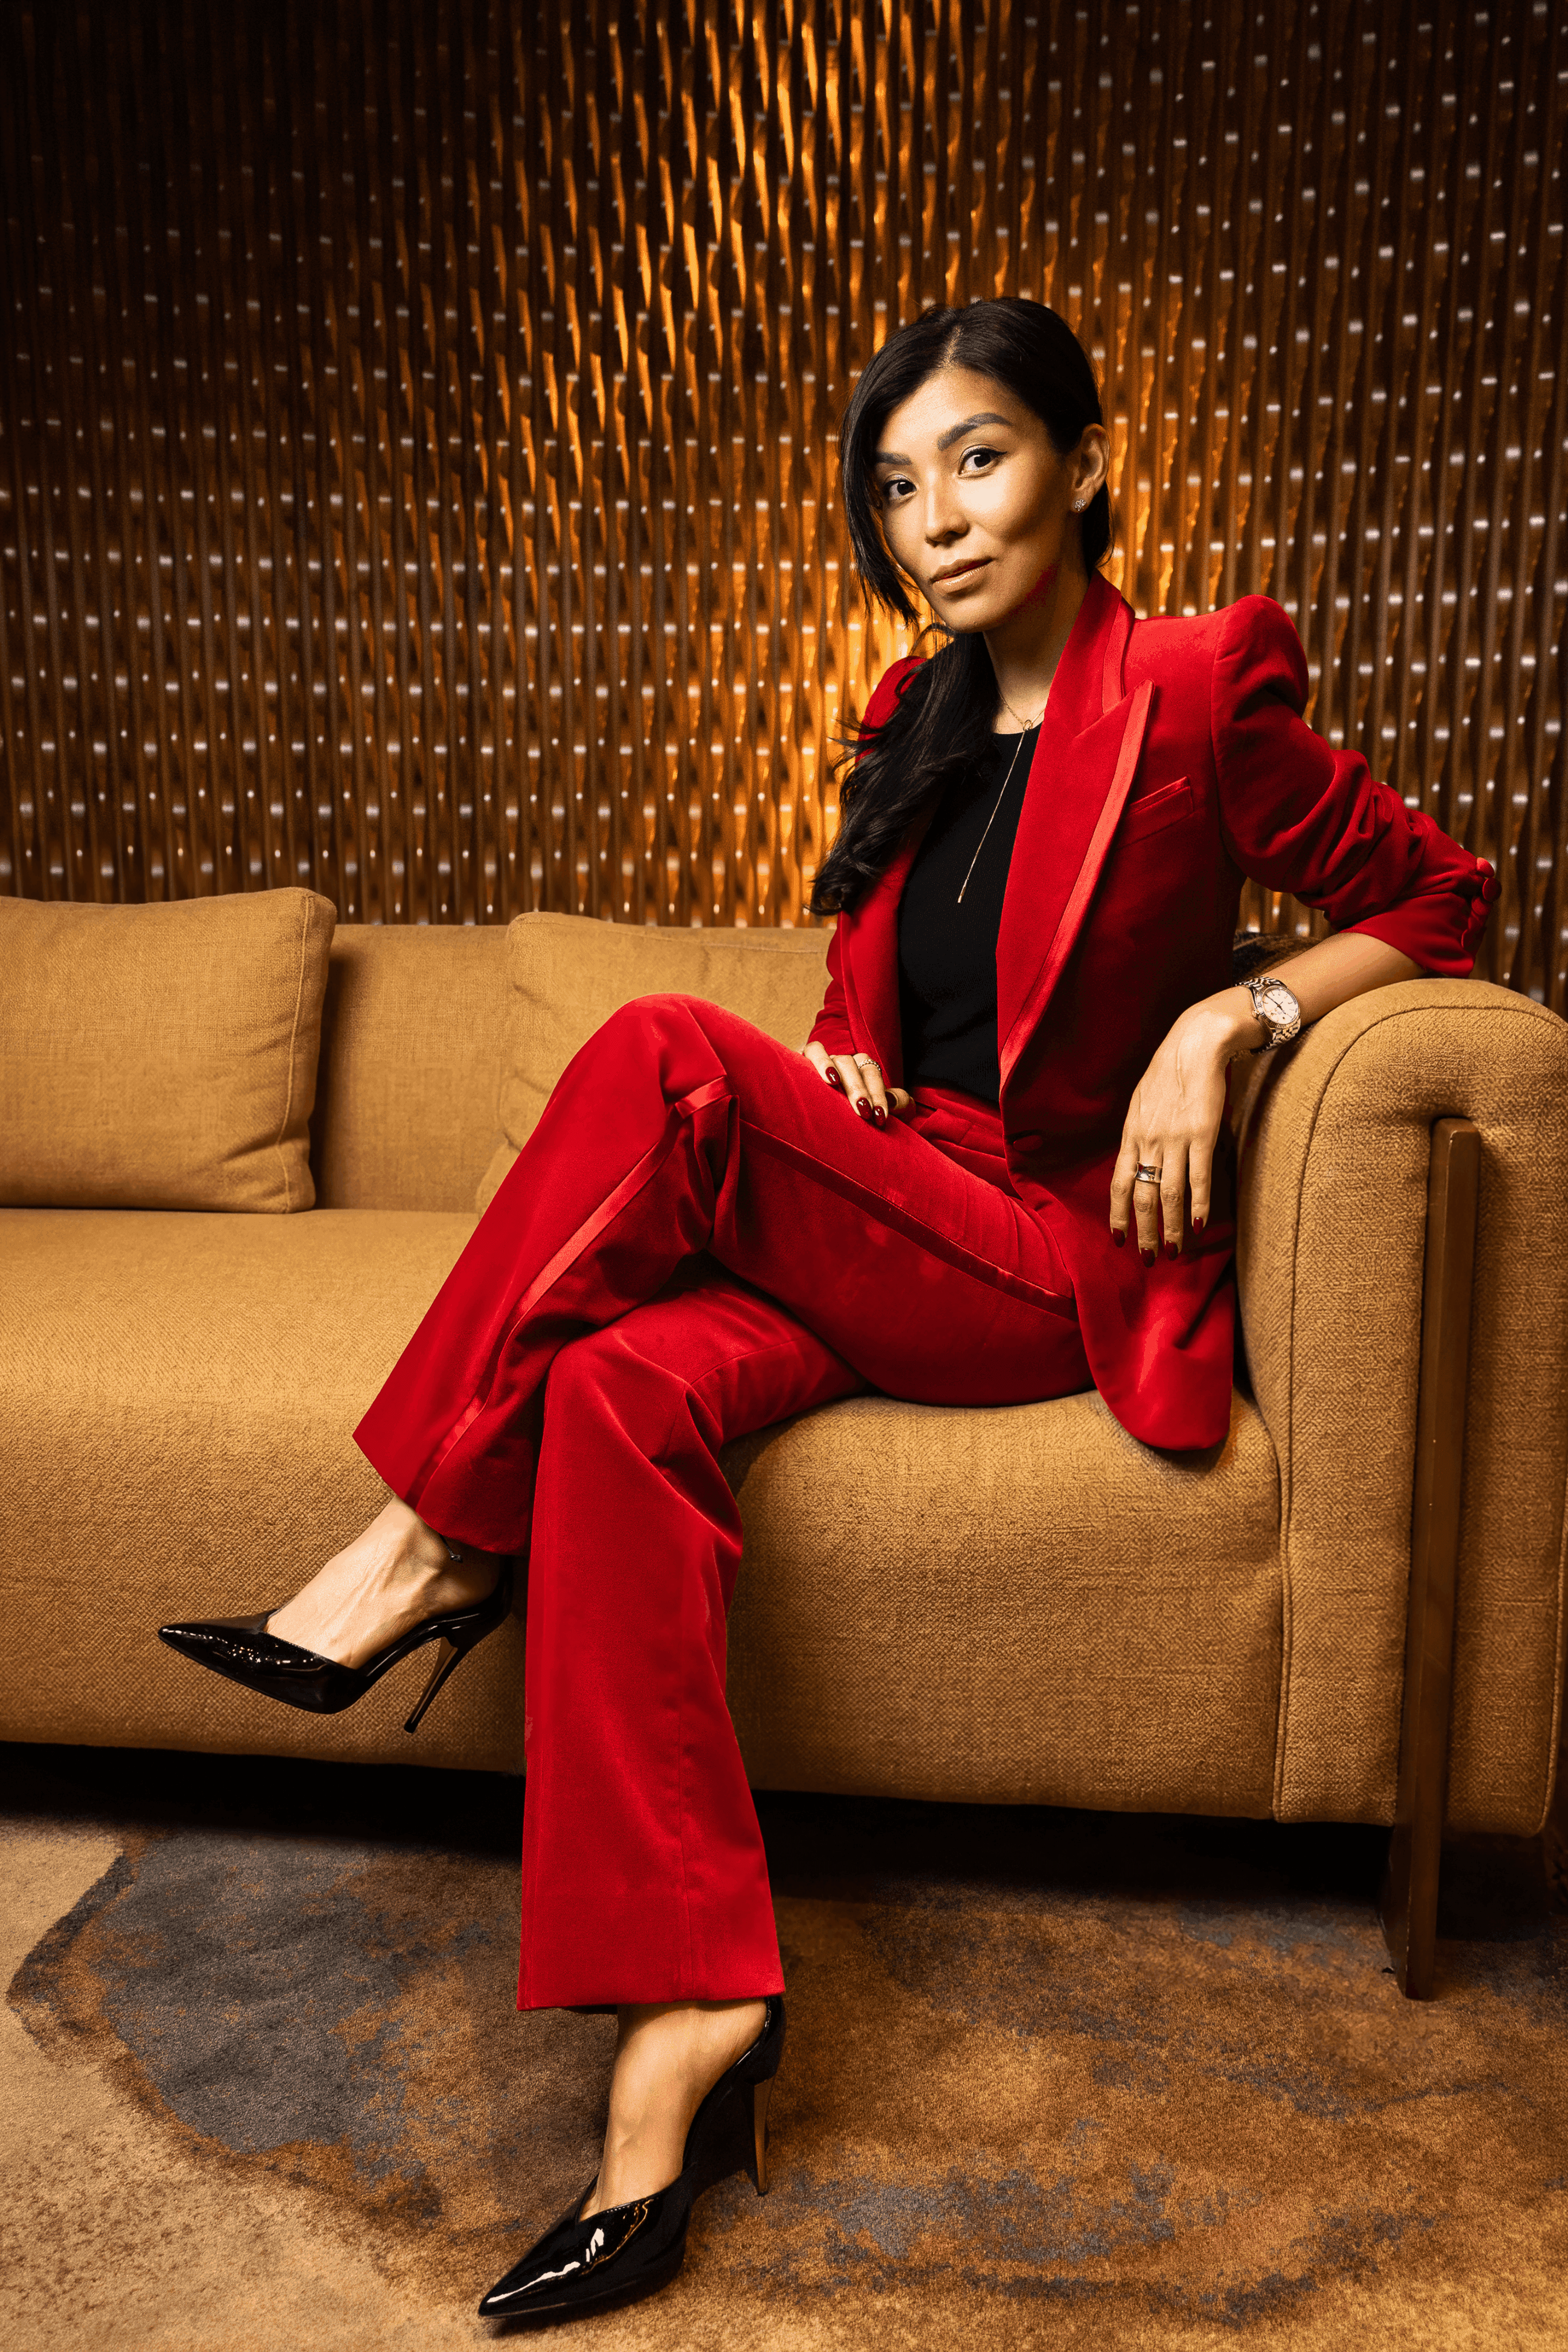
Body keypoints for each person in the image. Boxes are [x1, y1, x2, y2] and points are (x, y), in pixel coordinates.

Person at [158, 297, 1497, 2326]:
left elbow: (1441, 899)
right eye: (895, 487)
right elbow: (873, 1007)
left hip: (1043, 1255)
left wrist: (1238, 1017)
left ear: (1083, 464)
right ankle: (689, 2020)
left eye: (979, 459)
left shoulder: (1198, 687)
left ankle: (428, 1540)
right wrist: (847, 1058)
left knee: (662, 1053)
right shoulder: (911, 721)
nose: (936, 519)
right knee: (613, 1388)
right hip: (897, 1202)